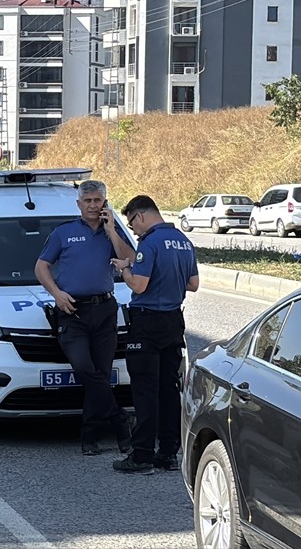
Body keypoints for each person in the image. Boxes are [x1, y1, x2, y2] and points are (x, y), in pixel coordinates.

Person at [33, 180, 135, 455]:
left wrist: (112, 230)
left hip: (104, 310)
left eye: (97, 200)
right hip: (72, 311)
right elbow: (41, 267)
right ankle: (119, 420)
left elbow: (131, 259)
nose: (93, 205)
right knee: (85, 369)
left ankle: (89, 436)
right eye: (87, 201)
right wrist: (56, 293)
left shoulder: (110, 234)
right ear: (79, 204)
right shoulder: (64, 232)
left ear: (105, 203)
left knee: (100, 373)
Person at [110, 194, 199, 474]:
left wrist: (125, 269)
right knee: (169, 389)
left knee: (145, 390)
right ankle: (169, 453)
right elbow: (193, 284)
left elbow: (138, 285)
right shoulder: (184, 241)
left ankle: (142, 455)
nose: (133, 230)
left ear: (141, 216)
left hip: (147, 324)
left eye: (132, 224)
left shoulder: (150, 243)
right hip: (174, 321)